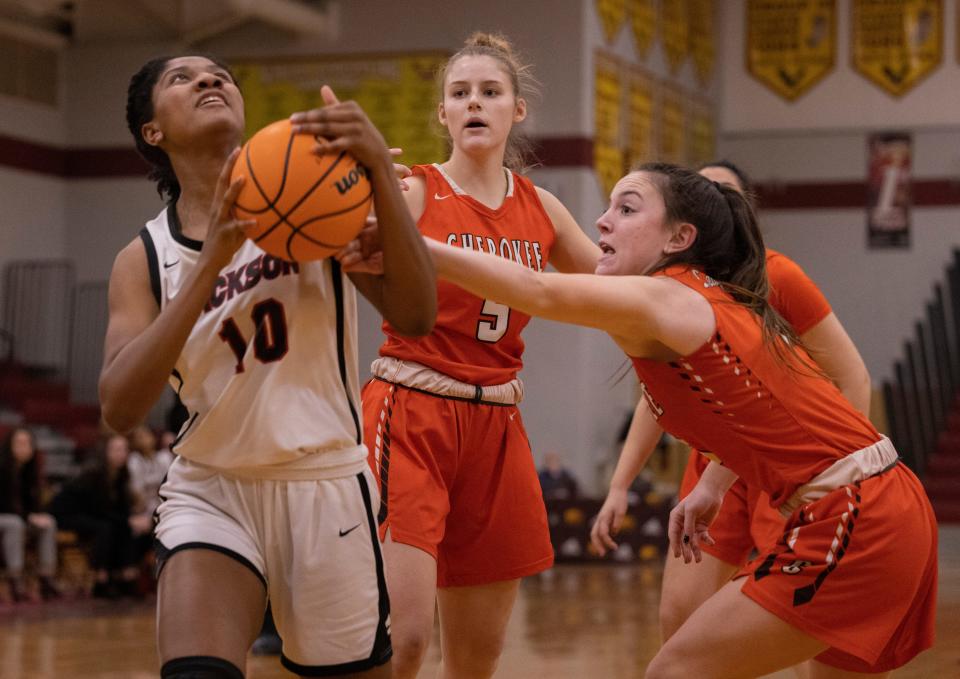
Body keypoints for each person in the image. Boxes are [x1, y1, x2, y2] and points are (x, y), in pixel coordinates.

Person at [423, 162, 937, 678]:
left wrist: (418, 242)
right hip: (875, 505)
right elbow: (576, 267)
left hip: (855, 512)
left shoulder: (671, 297)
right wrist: (710, 485)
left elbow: (537, 289)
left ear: (679, 238)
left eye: (626, 209)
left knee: (676, 671)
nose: (603, 221)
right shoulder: (679, 298)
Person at [100, 55, 435, 678]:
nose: (210, 80)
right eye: (183, 78)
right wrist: (211, 264)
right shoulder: (145, 256)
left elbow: (416, 317)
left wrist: (379, 179)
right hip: (213, 486)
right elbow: (119, 408)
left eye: (220, 74)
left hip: (326, 485)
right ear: (153, 132)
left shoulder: (314, 196)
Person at [322, 32, 599, 679]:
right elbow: (333, 231)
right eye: (460, 93)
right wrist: (335, 173)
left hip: (498, 424)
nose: (474, 101)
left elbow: (612, 287)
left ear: (516, 111)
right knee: (408, 637)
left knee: (477, 657)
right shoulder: (414, 190)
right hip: (412, 410)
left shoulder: (544, 209)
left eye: (490, 91)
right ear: (442, 113)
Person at [590, 161, 872, 654]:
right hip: (714, 465)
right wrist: (619, 484)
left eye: (723, 195)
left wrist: (842, 479)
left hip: (784, 465)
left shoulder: (777, 275)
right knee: (679, 623)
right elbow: (657, 399)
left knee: (799, 626)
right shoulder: (667, 291)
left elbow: (853, 378)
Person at [49, 433, 150, 598]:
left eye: (124, 449)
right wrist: (128, 520)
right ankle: (100, 578)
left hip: (96, 516)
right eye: (117, 449)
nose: (121, 453)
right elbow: (96, 509)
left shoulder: (122, 475)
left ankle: (126, 574)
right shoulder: (94, 473)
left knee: (128, 527)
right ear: (105, 451)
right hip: (67, 514)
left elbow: (119, 508)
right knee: (107, 528)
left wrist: (133, 519)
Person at [0, 427, 60, 602]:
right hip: (6, 517)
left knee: (49, 523)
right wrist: (28, 516)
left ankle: (46, 578)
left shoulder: (30, 470)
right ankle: (15, 579)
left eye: (27, 443)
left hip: (21, 517)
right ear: (9, 445)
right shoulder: (2, 468)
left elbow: (34, 502)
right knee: (15, 524)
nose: (23, 447)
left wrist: (39, 515)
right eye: (19, 443)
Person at [128, 425, 174, 516]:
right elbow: (137, 492)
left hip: (164, 504)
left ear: (153, 437)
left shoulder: (164, 457)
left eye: (146, 435)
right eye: (140, 437)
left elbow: (170, 485)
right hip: (144, 507)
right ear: (134, 442)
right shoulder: (134, 460)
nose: (144, 440)